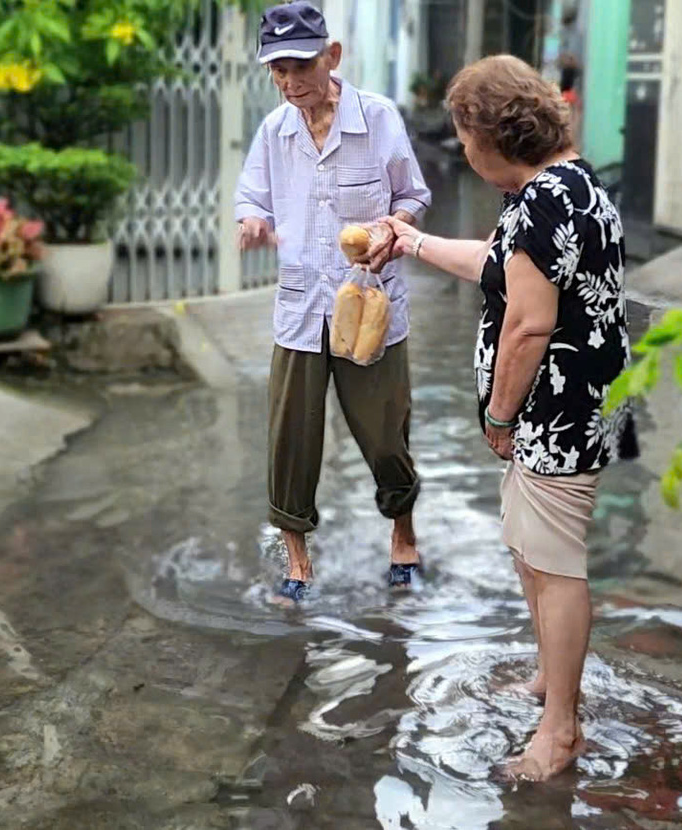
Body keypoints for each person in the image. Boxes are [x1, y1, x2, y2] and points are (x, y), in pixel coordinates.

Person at [383, 55, 638, 781]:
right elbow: (500, 265)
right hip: (576, 401)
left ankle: (560, 730)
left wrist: (497, 415)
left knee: (555, 565)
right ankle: (549, 683)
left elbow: (527, 325)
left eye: (466, 136)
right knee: (533, 551)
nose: (462, 150)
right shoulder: (570, 182)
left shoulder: (542, 202)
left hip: (559, 408)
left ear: (497, 136)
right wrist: (412, 243)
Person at [234, 1, 433, 604]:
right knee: (290, 435)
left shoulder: (378, 119)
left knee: (384, 432)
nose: (289, 83)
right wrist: (251, 222)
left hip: (369, 304)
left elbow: (413, 195)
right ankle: (297, 557)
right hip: (300, 309)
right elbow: (253, 198)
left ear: (333, 57)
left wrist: (391, 229)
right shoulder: (276, 132)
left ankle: (403, 531)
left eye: (299, 66)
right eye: (276, 71)